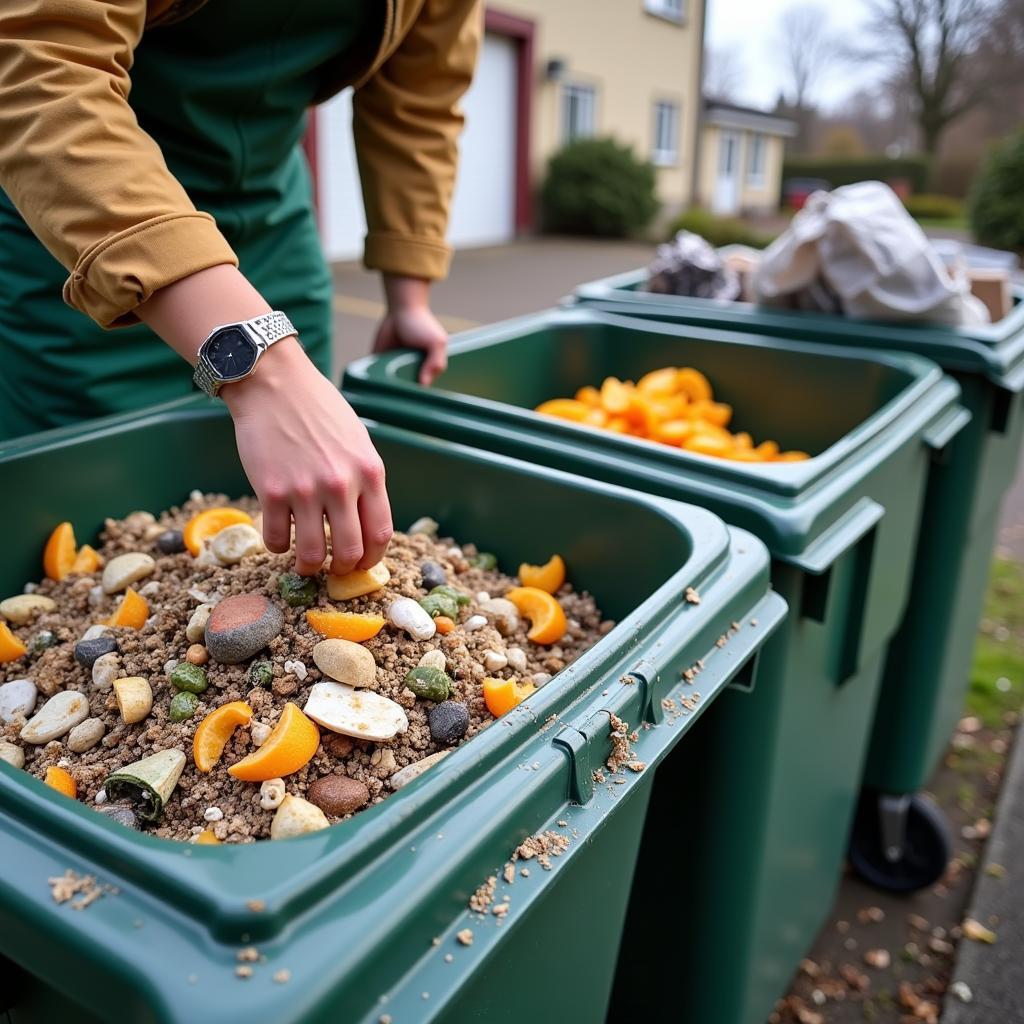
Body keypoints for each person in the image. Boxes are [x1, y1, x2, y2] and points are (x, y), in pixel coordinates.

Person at [0, 0, 481, 576]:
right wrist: (267, 369)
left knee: (304, 465)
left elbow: (420, 101)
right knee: (82, 515)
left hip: (271, 214)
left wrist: (410, 295)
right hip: (82, 214)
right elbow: (41, 64)